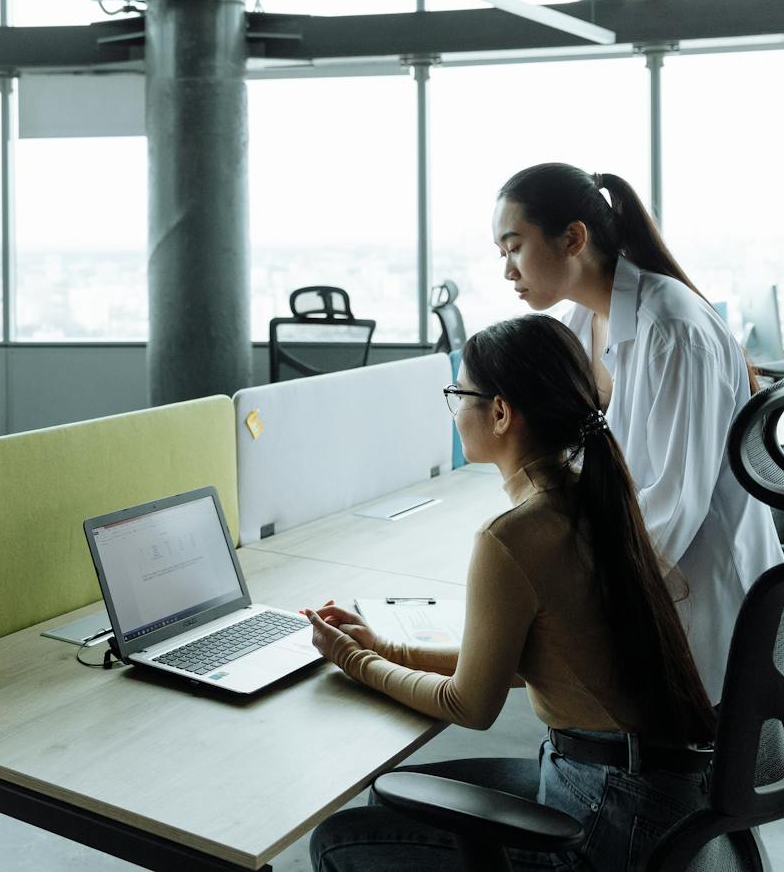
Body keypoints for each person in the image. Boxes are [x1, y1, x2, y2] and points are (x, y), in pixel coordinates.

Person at [305, 314, 718, 871]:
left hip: (611, 815)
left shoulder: (513, 535)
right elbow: (531, 662)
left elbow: (468, 704)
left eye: (459, 395)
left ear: (500, 412)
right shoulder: (592, 497)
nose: (455, 411)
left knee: (338, 840)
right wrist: (387, 649)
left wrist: (351, 659)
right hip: (653, 793)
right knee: (393, 794)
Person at [491, 162, 780, 698]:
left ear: (573, 238)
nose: (507, 270)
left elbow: (673, 505)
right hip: (645, 569)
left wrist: (576, 593)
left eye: (513, 247)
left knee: (512, 644)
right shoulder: (580, 321)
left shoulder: (672, 332)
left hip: (697, 594)